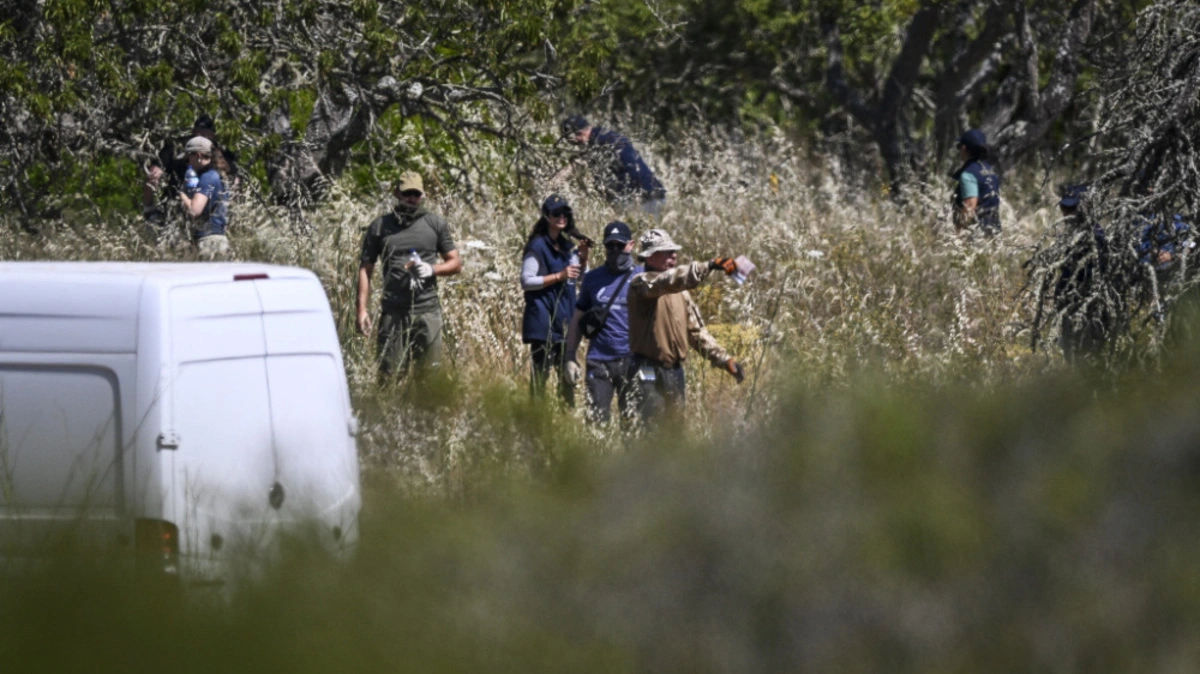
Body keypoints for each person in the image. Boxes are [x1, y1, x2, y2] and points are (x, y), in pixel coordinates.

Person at [626, 228, 745, 425]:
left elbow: (696, 333)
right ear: (650, 257)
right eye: (666, 251)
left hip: (674, 372)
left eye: (674, 251)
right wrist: (710, 265)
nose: (673, 255)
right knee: (650, 432)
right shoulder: (640, 285)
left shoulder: (680, 293)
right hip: (647, 371)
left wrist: (726, 361)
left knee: (675, 436)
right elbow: (666, 280)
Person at [357, 171, 462, 379]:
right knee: (389, 377)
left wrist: (432, 269)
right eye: (407, 194)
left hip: (427, 310)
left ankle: (425, 412)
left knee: (430, 378)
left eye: (416, 194)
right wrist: (361, 310)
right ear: (397, 193)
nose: (411, 199)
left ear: (422, 196)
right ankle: (390, 412)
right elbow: (365, 269)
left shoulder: (435, 224)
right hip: (393, 311)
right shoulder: (380, 226)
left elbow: (456, 263)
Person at [564, 220, 641, 425]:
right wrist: (570, 356)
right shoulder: (592, 279)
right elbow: (577, 319)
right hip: (599, 362)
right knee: (596, 424)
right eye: (610, 246)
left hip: (632, 361)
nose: (615, 251)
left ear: (631, 245)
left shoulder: (641, 277)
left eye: (620, 245)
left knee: (632, 426)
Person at [521, 194, 590, 404]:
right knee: (539, 382)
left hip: (565, 323)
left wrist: (584, 257)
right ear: (547, 216)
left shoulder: (569, 247)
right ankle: (537, 424)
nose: (561, 217)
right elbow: (526, 281)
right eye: (556, 213)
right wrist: (559, 276)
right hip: (543, 323)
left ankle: (565, 421)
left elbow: (582, 278)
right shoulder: (537, 246)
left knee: (567, 379)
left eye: (565, 213)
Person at [560, 115, 667, 217]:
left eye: (571, 140)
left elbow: (578, 167)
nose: (574, 144)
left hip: (642, 197)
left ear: (579, 134)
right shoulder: (606, 135)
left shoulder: (598, 144)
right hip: (654, 191)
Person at [143, 115, 239, 226]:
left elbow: (235, 183)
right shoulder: (175, 148)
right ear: (193, 133)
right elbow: (153, 176)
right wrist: (149, 208)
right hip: (176, 210)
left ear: (213, 136)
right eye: (199, 135)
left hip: (209, 216)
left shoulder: (222, 154)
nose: (201, 140)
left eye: (205, 136)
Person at [1053, 185, 1112, 360]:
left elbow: (1094, 274)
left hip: (1085, 307)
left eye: (1072, 209)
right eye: (1065, 208)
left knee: (1084, 354)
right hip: (1070, 305)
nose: (1066, 214)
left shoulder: (1095, 237)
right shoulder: (1074, 234)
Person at [176, 136, 232, 259]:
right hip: (218, 240)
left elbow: (194, 210)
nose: (188, 163)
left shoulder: (207, 178)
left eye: (188, 159)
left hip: (209, 243)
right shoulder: (217, 175)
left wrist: (181, 193)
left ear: (198, 156)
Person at [950, 128, 1002, 236]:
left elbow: (970, 206)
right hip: (995, 232)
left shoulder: (968, 174)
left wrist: (957, 234)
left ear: (964, 148)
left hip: (977, 236)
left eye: (959, 147)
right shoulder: (990, 170)